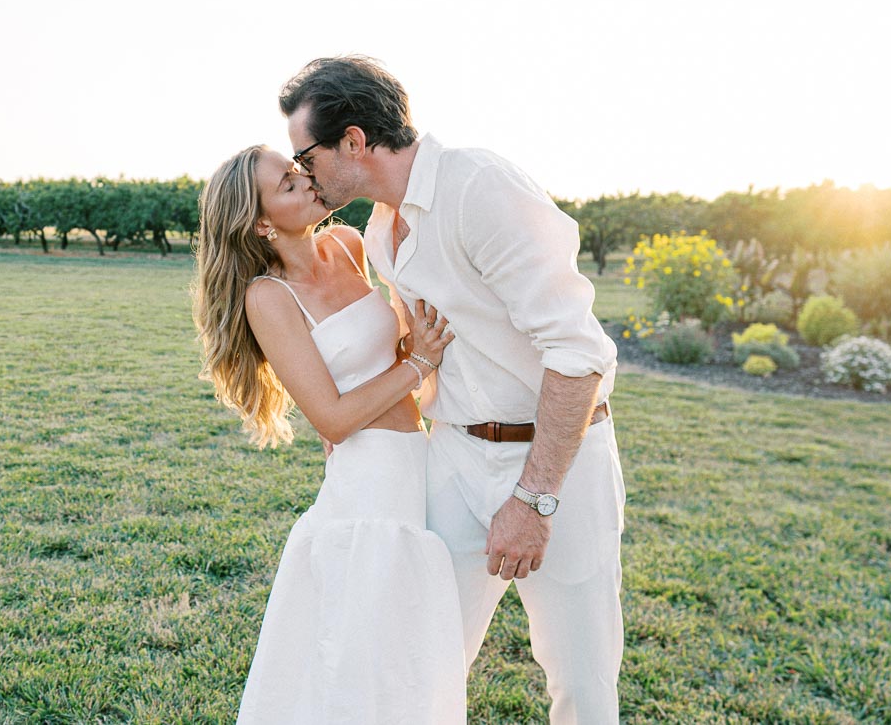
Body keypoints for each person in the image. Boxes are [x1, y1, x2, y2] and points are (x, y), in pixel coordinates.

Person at [279, 56, 626, 724]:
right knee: (419, 656)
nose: (302, 175)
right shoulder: (382, 232)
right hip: (455, 457)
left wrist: (534, 499)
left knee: (581, 680)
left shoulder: (480, 187)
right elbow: (426, 348)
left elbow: (577, 352)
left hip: (561, 463)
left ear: (352, 141)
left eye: (307, 155)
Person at [192, 144, 468, 724]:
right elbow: (334, 420)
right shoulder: (268, 297)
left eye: (296, 172)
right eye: (287, 186)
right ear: (262, 222)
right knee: (359, 660)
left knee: (410, 652)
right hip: (366, 485)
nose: (305, 182)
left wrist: (409, 356)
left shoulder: (345, 244)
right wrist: (418, 364)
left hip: (419, 458)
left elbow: (380, 351)